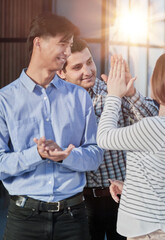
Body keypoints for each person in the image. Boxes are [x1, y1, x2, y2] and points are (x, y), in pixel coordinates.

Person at [0, 13, 103, 240]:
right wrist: (36, 154)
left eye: (69, 45)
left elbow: (95, 155)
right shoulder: (5, 100)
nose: (67, 51)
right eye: (62, 44)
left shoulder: (79, 97)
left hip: (73, 217)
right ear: (38, 42)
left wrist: (66, 156)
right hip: (24, 219)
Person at [57, 38, 158, 240]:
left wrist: (130, 93)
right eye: (77, 67)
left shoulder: (112, 92)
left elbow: (156, 123)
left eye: (89, 62)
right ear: (61, 72)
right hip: (79, 202)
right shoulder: (56, 104)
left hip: (122, 198)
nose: (88, 70)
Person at [97, 51, 165, 240]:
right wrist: (130, 188)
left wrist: (113, 95)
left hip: (149, 233)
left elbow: (104, 138)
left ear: (161, 81)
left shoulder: (157, 128)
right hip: (162, 228)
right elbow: (160, 177)